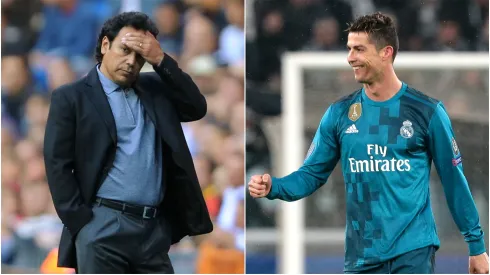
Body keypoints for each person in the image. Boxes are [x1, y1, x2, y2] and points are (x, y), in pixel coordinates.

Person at [248, 12, 489, 274]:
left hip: (413, 253)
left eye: (359, 49)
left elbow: (454, 180)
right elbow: (311, 175)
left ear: (386, 52)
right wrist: (275, 186)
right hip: (361, 256)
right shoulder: (340, 114)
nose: (351, 57)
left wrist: (476, 246)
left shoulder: (426, 111)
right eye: (349, 49)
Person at [43, 12, 213, 273]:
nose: (132, 61)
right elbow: (57, 165)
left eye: (139, 55)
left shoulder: (156, 87)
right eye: (125, 50)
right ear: (105, 45)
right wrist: (82, 223)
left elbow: (196, 107)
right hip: (102, 225)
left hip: (152, 229)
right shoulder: (71, 97)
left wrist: (160, 59)